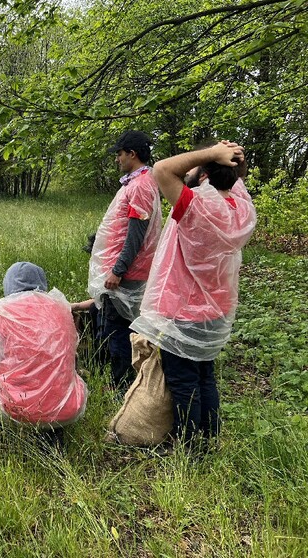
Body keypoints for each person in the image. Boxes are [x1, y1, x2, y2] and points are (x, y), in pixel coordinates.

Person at [131, 141, 256, 449]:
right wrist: (226, 160)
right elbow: (230, 180)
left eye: (196, 167)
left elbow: (162, 169)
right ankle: (209, 439)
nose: (188, 169)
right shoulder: (240, 209)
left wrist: (211, 153)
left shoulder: (196, 208)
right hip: (217, 311)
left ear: (203, 176)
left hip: (184, 312)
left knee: (185, 383)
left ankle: (190, 448)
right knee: (204, 377)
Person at [0, 262, 88, 440]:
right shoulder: (62, 311)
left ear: (8, 285)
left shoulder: (1, 312)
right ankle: (53, 432)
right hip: (68, 408)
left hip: (19, 410)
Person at [87, 130, 162, 389]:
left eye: (119, 154)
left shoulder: (141, 186)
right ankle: (118, 376)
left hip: (126, 273)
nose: (117, 158)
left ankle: (119, 384)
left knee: (117, 330)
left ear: (132, 154)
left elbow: (136, 234)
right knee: (114, 323)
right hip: (125, 268)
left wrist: (118, 269)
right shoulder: (137, 182)